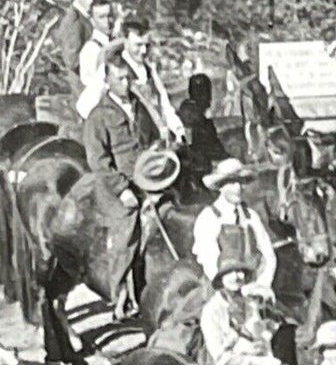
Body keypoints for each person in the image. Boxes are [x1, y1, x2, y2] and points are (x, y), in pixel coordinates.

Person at [82, 51, 165, 318]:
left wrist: (157, 152)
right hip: (118, 189)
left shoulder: (139, 108)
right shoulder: (99, 116)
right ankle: (119, 298)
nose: (126, 84)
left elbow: (152, 137)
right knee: (126, 234)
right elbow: (99, 161)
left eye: (129, 78)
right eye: (120, 79)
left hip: (147, 180)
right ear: (107, 81)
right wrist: (123, 190)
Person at [200, 244, 285, 365]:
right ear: (221, 278)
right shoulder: (212, 311)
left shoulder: (250, 302)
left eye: (240, 271)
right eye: (230, 272)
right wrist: (257, 362)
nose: (237, 276)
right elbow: (221, 358)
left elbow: (261, 339)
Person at [192, 157, 277, 300]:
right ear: (221, 186)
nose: (238, 188)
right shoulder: (209, 218)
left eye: (241, 182)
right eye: (231, 183)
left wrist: (262, 284)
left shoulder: (251, 216)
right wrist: (236, 288)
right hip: (221, 289)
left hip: (254, 288)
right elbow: (209, 261)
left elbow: (268, 254)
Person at [121, 19, 186, 147]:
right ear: (125, 42)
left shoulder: (150, 70)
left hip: (156, 142)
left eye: (147, 45)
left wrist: (178, 130)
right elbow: (86, 107)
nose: (144, 51)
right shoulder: (115, 70)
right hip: (132, 145)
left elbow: (165, 106)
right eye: (138, 45)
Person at [177, 73, 229, 193]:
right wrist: (226, 156)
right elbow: (212, 146)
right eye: (206, 93)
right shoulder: (200, 119)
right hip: (198, 169)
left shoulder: (186, 109)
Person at [55, 0, 101, 100]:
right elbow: (72, 62)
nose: (91, 0)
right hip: (81, 86)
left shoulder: (86, 17)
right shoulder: (74, 21)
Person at [74, 0, 118, 119]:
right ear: (92, 21)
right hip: (101, 110)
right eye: (102, 17)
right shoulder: (90, 50)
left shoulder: (119, 44)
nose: (108, 21)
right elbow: (93, 89)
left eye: (110, 16)